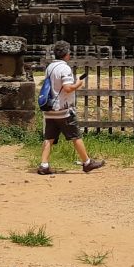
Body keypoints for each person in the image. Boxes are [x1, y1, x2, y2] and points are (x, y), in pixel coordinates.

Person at [38, 39, 104, 175]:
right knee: (76, 136)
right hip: (63, 110)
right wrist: (78, 83)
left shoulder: (50, 67)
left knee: (49, 137)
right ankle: (87, 162)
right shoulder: (65, 68)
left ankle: (44, 165)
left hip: (50, 109)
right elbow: (68, 88)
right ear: (66, 54)